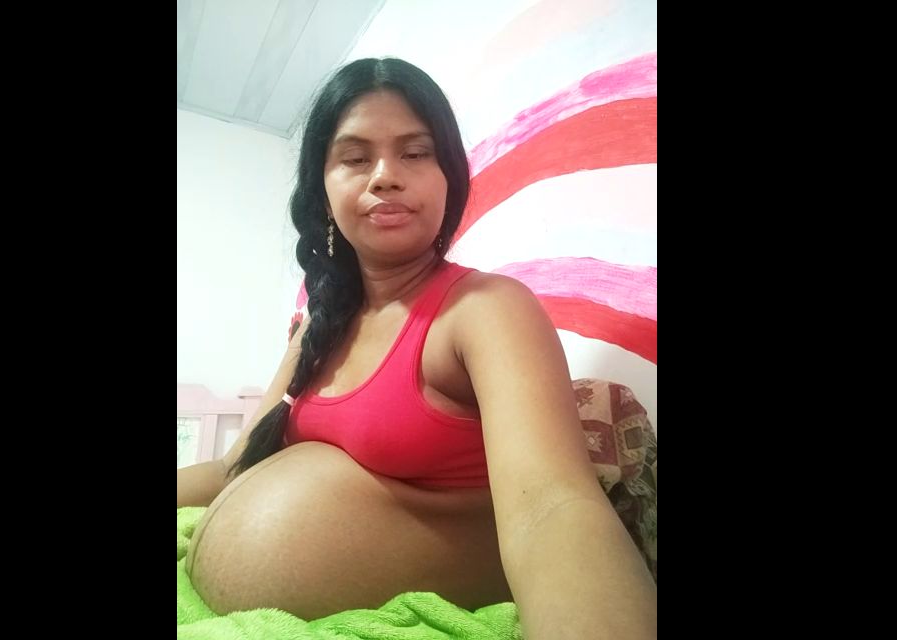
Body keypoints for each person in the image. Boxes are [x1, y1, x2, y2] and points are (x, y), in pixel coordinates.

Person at [177, 57, 656, 638]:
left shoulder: (486, 309)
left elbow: (554, 510)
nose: (385, 175)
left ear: (447, 178)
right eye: (355, 158)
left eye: (415, 152)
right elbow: (231, 468)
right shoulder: (316, 328)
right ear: (324, 191)